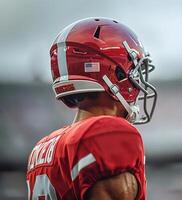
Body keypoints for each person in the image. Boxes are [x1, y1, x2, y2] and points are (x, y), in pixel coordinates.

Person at [26, 17, 157, 200]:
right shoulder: (107, 135)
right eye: (135, 73)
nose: (138, 83)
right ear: (116, 75)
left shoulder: (42, 148)